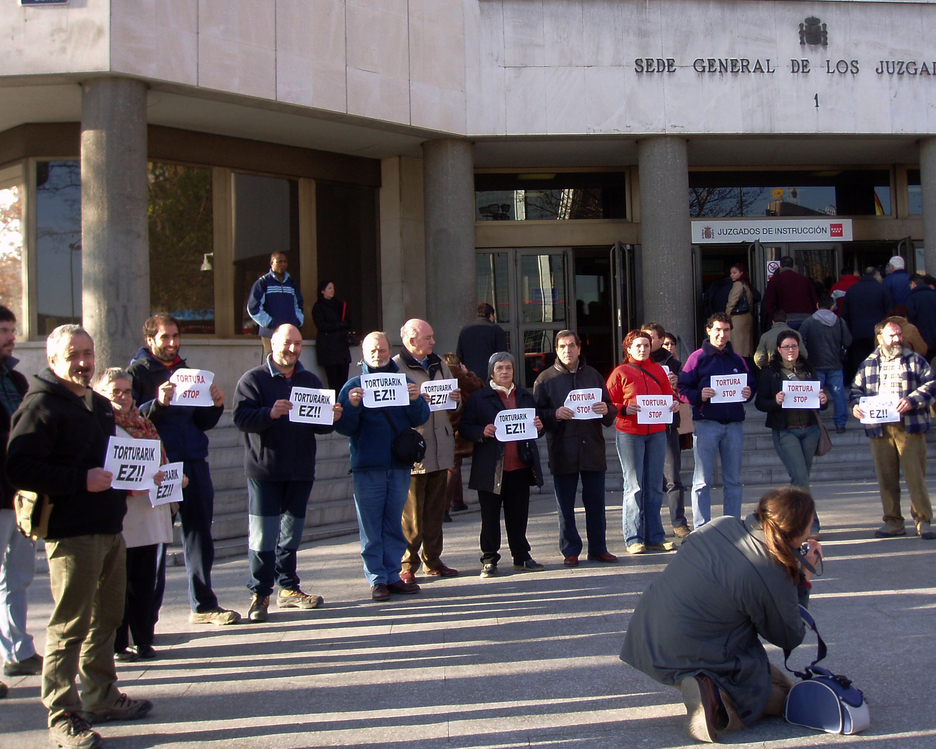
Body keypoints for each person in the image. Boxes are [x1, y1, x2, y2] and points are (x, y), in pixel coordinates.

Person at [7, 325, 152, 749]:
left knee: (107, 618)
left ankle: (101, 696)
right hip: (72, 534)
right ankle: (63, 712)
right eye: (73, 355)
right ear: (53, 360)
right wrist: (77, 480)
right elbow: (19, 468)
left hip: (110, 527)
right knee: (70, 625)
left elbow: (111, 459)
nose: (83, 362)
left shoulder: (98, 404)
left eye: (88, 353)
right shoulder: (40, 406)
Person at [620, 487, 822, 744]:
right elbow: (790, 635)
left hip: (646, 635)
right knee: (782, 696)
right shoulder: (770, 571)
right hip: (693, 650)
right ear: (797, 533)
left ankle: (703, 686)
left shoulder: (722, 524)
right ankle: (714, 702)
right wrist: (802, 581)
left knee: (762, 671)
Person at [128, 314, 241, 625]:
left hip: (193, 461)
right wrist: (158, 404)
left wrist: (216, 406)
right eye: (165, 337)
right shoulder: (136, 373)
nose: (172, 342)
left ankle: (203, 605)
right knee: (155, 543)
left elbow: (200, 423)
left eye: (175, 336)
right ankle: (145, 618)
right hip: (159, 466)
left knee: (199, 534)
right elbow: (130, 421)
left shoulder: (188, 373)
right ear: (150, 340)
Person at [232, 324, 342, 622]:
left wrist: (332, 417)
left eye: (297, 344)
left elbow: (320, 426)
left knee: (290, 534)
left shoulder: (309, 380)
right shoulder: (253, 379)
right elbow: (240, 418)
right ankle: (259, 593)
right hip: (265, 471)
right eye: (286, 343)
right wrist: (269, 413)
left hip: (301, 470)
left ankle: (288, 588)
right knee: (263, 536)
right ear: (272, 343)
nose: (292, 349)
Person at [335, 332, 431, 600]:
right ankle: (376, 578)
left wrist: (415, 398)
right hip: (368, 468)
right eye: (373, 351)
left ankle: (392, 574)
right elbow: (344, 427)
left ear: (391, 351)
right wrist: (352, 406)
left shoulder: (404, 382)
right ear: (363, 354)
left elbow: (421, 417)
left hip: (399, 466)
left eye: (383, 350)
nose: (378, 354)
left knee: (392, 523)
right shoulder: (354, 385)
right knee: (371, 526)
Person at [93, 368, 173, 662]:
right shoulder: (98, 426)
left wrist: (171, 478)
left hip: (148, 513)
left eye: (127, 392)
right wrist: (126, 490)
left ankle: (144, 639)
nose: (123, 398)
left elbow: (158, 461)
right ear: (100, 393)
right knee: (117, 582)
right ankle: (117, 643)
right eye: (115, 391)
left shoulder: (144, 423)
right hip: (119, 515)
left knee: (143, 581)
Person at [533, 330, 618, 566]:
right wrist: (554, 414)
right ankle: (570, 549)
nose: (567, 350)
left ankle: (598, 548)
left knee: (596, 502)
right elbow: (536, 417)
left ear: (579, 348)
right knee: (565, 504)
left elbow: (610, 408)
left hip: (592, 447)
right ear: (557, 350)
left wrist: (607, 410)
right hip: (563, 449)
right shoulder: (545, 380)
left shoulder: (593, 376)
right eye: (562, 346)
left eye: (571, 345)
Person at [460, 352, 546, 578]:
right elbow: (465, 427)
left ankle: (521, 557)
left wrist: (539, 426)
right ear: (491, 372)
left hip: (519, 465)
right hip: (490, 467)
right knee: (489, 517)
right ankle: (489, 559)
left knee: (518, 515)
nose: (505, 372)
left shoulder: (525, 396)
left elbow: (536, 427)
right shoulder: (479, 398)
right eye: (500, 368)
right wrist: (482, 432)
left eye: (509, 368)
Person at [850, 318, 936, 540]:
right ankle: (893, 521)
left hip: (909, 426)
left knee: (915, 476)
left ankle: (923, 520)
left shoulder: (915, 360)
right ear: (880, 338)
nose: (898, 338)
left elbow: (931, 385)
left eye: (899, 334)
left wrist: (913, 400)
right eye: (892, 335)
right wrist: (856, 406)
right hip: (880, 429)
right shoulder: (868, 363)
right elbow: (856, 390)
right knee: (886, 477)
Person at [394, 319, 462, 581]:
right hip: (415, 448)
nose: (433, 342)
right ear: (412, 341)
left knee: (436, 510)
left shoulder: (439, 364)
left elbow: (451, 402)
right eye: (428, 337)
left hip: (440, 445)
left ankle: (433, 559)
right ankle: (407, 564)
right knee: (412, 514)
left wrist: (455, 401)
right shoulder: (396, 367)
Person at [678, 313, 755, 529]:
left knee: (733, 481)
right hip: (706, 424)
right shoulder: (697, 358)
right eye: (718, 330)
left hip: (734, 425)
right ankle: (702, 527)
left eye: (726, 330)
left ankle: (731, 526)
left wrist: (748, 392)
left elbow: (751, 385)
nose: (722, 335)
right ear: (709, 330)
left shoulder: (737, 359)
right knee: (702, 480)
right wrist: (699, 396)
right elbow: (682, 389)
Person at [607, 330, 680, 554]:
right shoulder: (620, 373)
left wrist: (675, 404)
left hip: (657, 432)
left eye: (646, 345)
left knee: (654, 486)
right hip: (630, 433)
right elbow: (607, 404)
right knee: (634, 487)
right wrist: (624, 409)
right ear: (628, 349)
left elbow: (670, 396)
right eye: (637, 346)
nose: (642, 349)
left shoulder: (658, 370)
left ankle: (655, 536)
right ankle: (633, 537)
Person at [0, 306, 40, 692]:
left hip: (21, 493)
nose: (11, 337)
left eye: (12, 330)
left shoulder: (15, 378)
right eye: (4, 331)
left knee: (19, 577)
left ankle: (18, 651)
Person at [754, 331, 829, 536]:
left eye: (794, 346)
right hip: (786, 432)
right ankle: (810, 523)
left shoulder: (808, 369)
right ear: (778, 349)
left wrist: (823, 399)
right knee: (800, 477)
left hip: (810, 430)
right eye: (786, 347)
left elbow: (819, 400)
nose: (790, 350)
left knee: (801, 479)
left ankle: (793, 520)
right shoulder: (771, 373)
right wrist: (775, 401)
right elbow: (760, 402)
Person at [643, 323, 690, 538]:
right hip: (644, 426)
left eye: (651, 338)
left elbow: (687, 392)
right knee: (645, 479)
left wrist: (677, 383)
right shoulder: (636, 362)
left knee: (673, 477)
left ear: (661, 340)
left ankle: (679, 522)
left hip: (668, 424)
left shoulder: (675, 364)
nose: (647, 343)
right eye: (644, 338)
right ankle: (646, 525)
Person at [798, 295, 852, 434]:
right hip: (835, 364)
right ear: (832, 306)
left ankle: (817, 423)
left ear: (817, 305)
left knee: (815, 395)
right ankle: (840, 424)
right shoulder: (839, 321)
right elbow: (848, 341)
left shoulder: (808, 322)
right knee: (839, 395)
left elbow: (801, 343)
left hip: (815, 365)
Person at [440, 353, 484, 518]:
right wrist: (469, 373)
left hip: (446, 425)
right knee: (453, 467)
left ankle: (457, 502)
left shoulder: (439, 376)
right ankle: (444, 508)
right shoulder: (460, 375)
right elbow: (480, 387)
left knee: (453, 465)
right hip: (459, 426)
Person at [247, 252, 304, 359]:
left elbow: (299, 305)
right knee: (273, 361)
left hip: (290, 332)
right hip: (270, 332)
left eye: (285, 262)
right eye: (279, 262)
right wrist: (270, 323)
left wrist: (297, 321)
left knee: (290, 361)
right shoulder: (263, 283)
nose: (283, 264)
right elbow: (253, 308)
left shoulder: (291, 284)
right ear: (271, 263)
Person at [841, 266, 892, 382]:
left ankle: (860, 383)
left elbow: (845, 313)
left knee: (859, 360)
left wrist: (849, 328)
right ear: (876, 276)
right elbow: (890, 311)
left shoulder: (852, 289)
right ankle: (878, 382)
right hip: (878, 332)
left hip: (857, 332)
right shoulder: (882, 289)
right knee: (879, 359)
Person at [310, 279, 353, 393]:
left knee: (344, 381)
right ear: (322, 291)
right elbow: (321, 326)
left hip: (341, 348)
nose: (332, 291)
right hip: (328, 348)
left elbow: (348, 321)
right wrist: (338, 325)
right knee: (333, 382)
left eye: (333, 288)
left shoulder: (339, 305)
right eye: (329, 288)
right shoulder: (318, 307)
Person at [456, 303, 508, 383]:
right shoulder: (496, 330)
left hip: (470, 377)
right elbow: (502, 356)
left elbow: (459, 356)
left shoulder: (465, 331)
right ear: (491, 315)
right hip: (490, 376)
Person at [763, 256, 818, 329]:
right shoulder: (805, 279)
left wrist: (775, 319)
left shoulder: (775, 280)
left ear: (780, 267)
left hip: (786, 319)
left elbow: (770, 304)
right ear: (793, 267)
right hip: (806, 318)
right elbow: (814, 300)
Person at [725, 263, 754, 358]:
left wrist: (726, 316)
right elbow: (750, 303)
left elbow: (732, 302)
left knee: (737, 346)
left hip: (737, 319)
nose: (731, 275)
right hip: (747, 317)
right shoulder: (746, 284)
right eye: (731, 273)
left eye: (734, 273)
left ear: (741, 273)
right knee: (746, 346)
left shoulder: (737, 285)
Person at [905, 273, 936, 360]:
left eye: (910, 284)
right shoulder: (934, 295)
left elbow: (910, 318)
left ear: (914, 284)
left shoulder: (912, 298)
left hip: (921, 338)